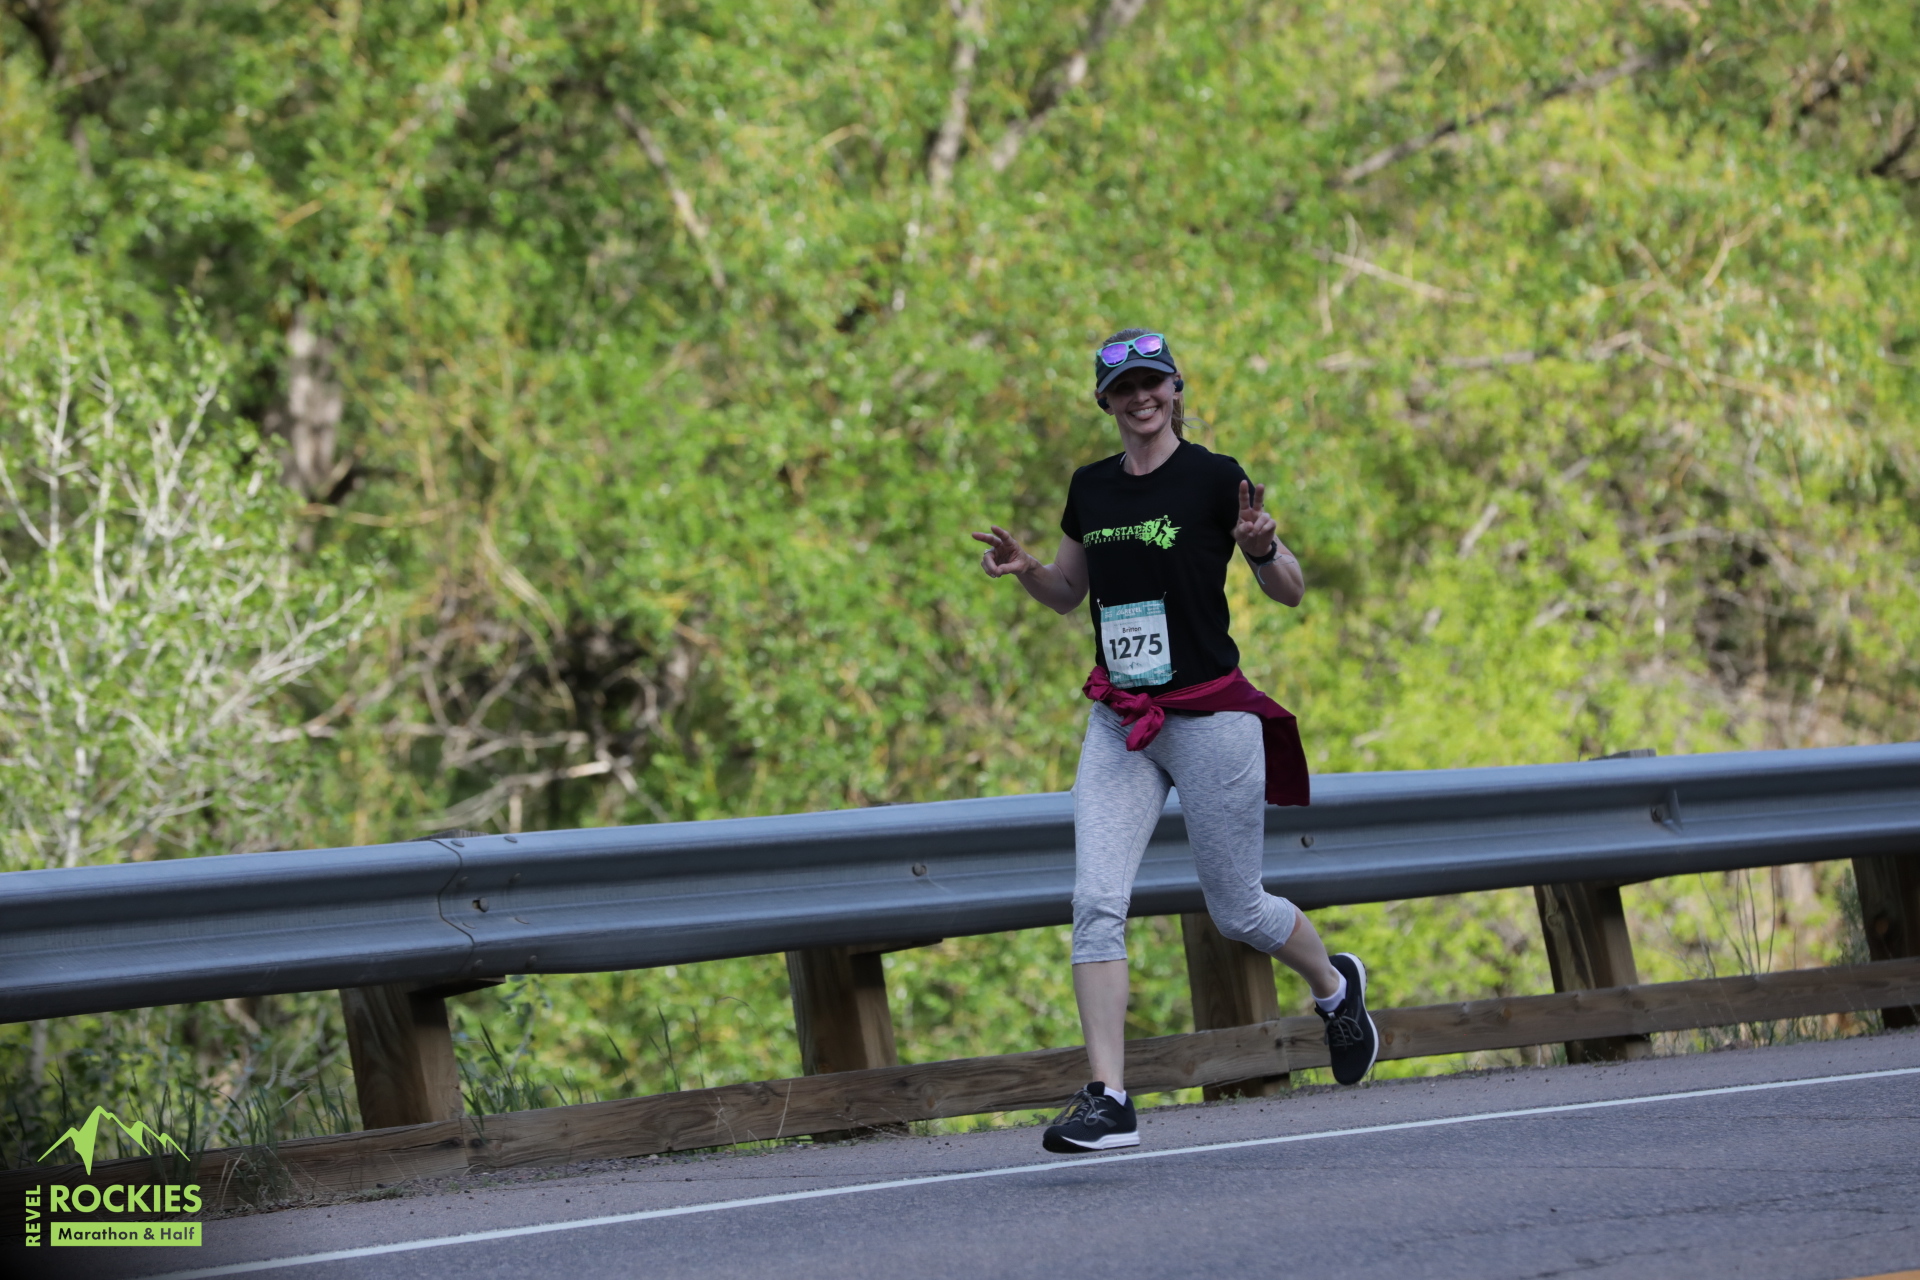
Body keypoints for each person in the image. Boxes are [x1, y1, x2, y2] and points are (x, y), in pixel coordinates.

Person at [971, 329, 1377, 1154]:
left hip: (1209, 718)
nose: (1141, 399)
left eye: (1152, 384)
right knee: (1095, 903)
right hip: (1121, 721)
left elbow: (1291, 589)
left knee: (1239, 910)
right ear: (1105, 402)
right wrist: (1026, 570)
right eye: (1124, 389)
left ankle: (1335, 987)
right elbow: (1067, 593)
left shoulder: (1216, 479)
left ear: (1176, 390)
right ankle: (1110, 1098)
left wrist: (1262, 548)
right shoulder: (1090, 488)